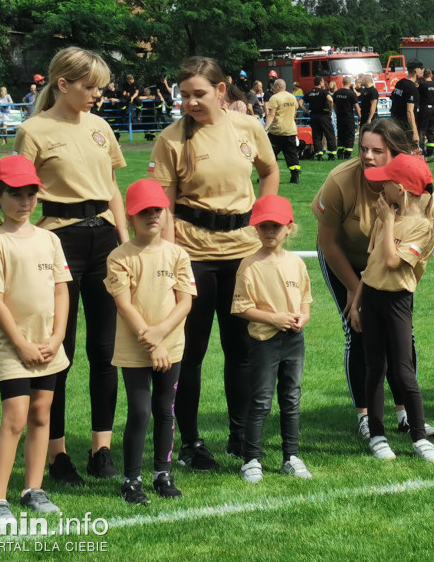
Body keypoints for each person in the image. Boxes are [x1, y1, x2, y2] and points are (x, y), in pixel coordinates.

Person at [150, 56, 280, 471]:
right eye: (183, 95)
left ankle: (241, 436)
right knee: (190, 352)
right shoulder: (171, 139)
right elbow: (163, 208)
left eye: (198, 94)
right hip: (194, 256)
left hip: (242, 254)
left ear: (221, 91)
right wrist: (174, 264)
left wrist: (265, 219)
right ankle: (190, 442)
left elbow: (270, 171)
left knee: (242, 350)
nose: (189, 102)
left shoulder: (247, 127)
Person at [14, 47, 129, 486]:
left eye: (99, 87)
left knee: (105, 349)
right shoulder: (34, 130)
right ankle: (57, 453)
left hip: (103, 239)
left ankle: (102, 448)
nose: (97, 95)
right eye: (89, 86)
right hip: (57, 239)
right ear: (63, 84)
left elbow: (113, 188)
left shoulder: (101, 127)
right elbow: (20, 194)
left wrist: (122, 241)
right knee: (58, 350)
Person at [314, 118, 434, 439]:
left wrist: (398, 296)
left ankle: (405, 413)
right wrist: (357, 294)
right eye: (363, 149)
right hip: (342, 257)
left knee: (401, 334)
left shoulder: (412, 186)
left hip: (389, 262)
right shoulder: (340, 180)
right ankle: (366, 415)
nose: (367, 156)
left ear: (395, 153)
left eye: (377, 150)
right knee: (357, 330)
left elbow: (418, 258)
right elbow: (327, 241)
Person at [0, 156, 71, 523]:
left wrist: (58, 335)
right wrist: (20, 343)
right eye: (15, 194)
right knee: (14, 418)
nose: (25, 202)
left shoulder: (49, 239)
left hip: (48, 344)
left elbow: (62, 290)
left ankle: (34, 489)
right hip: (14, 348)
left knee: (41, 414)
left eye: (31, 194)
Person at [350, 154, 434, 463]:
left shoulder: (422, 226)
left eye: (386, 182)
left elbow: (392, 262)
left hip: (397, 302)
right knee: (375, 369)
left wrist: (386, 223)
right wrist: (357, 304)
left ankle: (419, 437)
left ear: (399, 188)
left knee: (403, 371)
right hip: (371, 298)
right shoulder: (389, 216)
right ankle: (377, 435)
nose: (380, 187)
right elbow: (372, 266)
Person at [106, 179, 194, 505]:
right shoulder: (119, 257)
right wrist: (151, 341)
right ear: (130, 217)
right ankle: (132, 479)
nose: (152, 216)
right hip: (135, 349)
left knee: (165, 410)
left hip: (171, 346)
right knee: (141, 412)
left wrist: (162, 336)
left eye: (157, 210)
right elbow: (124, 304)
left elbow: (185, 301)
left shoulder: (177, 254)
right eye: (143, 211)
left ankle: (162, 473)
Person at [232, 195, 313, 483]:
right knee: (262, 400)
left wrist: (303, 316)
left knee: (291, 397)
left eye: (275, 227)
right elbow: (242, 307)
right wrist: (274, 318)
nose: (269, 232)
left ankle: (291, 455)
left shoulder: (296, 263)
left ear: (289, 228)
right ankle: (251, 459)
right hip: (264, 341)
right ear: (255, 229)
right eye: (263, 226)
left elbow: (305, 297)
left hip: (294, 339)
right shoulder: (249, 265)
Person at [265, 78, 303, 184]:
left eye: (273, 86)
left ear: (277, 87)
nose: (272, 88)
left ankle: (268, 176)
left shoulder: (275, 98)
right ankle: (295, 177)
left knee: (270, 155)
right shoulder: (292, 97)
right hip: (290, 130)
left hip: (276, 131)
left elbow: (271, 114)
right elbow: (294, 113)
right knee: (292, 154)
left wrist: (265, 128)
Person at [390, 59, 423, 147]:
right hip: (405, 126)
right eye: (421, 69)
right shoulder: (411, 87)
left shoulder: (400, 83)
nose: (422, 71)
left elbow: (393, 97)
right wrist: (415, 132)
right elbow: (409, 112)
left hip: (395, 123)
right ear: (416, 71)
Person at [304, 76, 336, 161]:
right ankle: (331, 155)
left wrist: (307, 111)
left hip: (314, 116)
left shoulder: (309, 93)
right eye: (323, 82)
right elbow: (331, 100)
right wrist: (330, 109)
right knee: (330, 135)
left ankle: (319, 155)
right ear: (321, 82)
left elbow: (300, 103)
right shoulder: (323, 92)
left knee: (316, 136)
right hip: (323, 115)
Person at [333, 76, 359, 159]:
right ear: (350, 83)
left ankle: (340, 154)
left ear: (342, 82)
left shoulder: (337, 93)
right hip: (348, 117)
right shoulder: (351, 93)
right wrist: (360, 116)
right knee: (350, 135)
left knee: (341, 135)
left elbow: (334, 105)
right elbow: (357, 106)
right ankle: (347, 154)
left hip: (340, 118)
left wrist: (337, 113)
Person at [417, 69, 434, 157]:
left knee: (422, 130)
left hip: (424, 109)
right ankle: (430, 150)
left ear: (424, 75)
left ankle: (422, 149)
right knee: (431, 130)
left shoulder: (422, 85)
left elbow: (418, 94)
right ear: (431, 75)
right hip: (433, 109)